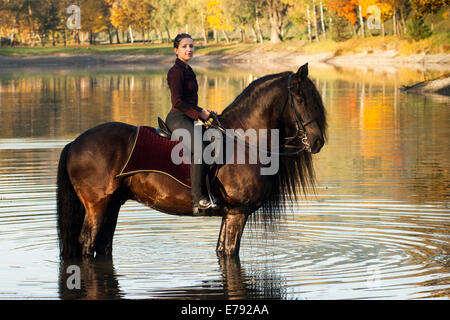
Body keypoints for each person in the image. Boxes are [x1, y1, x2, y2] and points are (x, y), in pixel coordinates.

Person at [165, 33, 213, 213]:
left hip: (189, 116)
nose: (189, 49)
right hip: (177, 118)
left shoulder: (188, 70)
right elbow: (177, 101)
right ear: (176, 50)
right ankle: (198, 199)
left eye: (191, 46)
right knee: (200, 148)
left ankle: (210, 191)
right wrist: (199, 113)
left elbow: (190, 101)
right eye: (184, 46)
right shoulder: (175, 72)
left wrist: (206, 113)